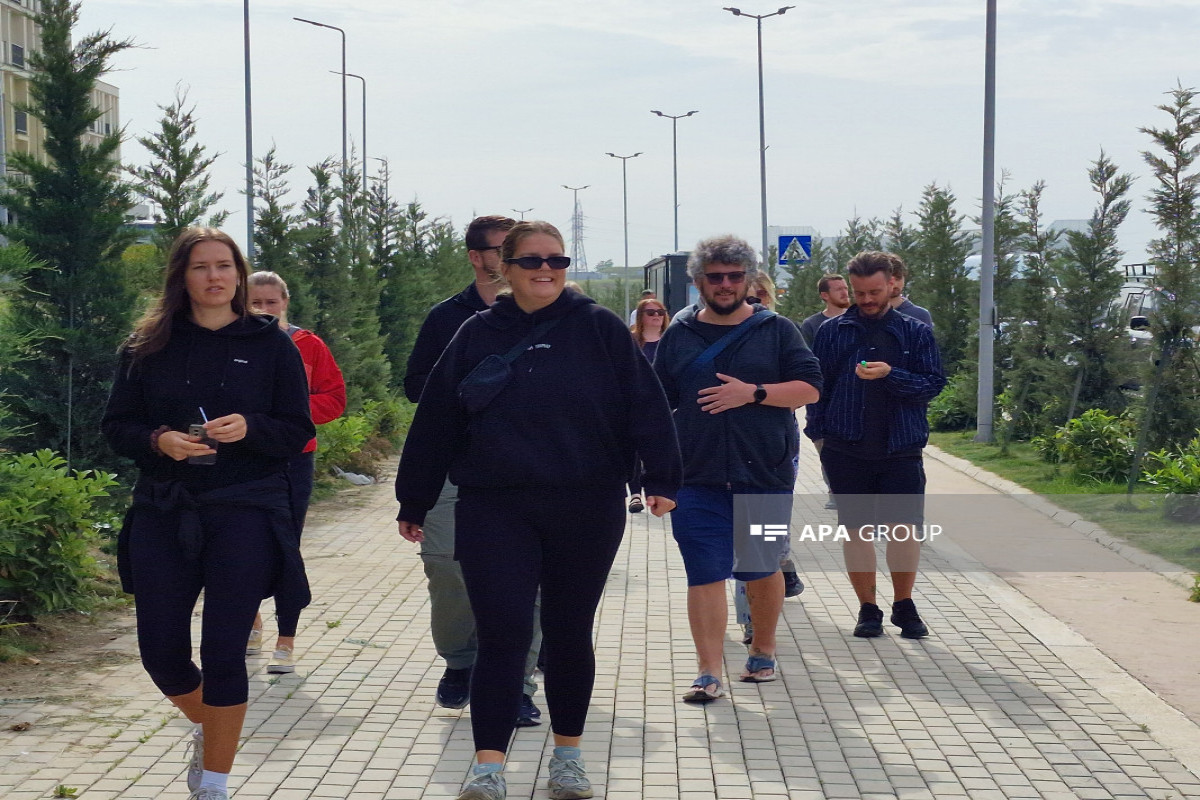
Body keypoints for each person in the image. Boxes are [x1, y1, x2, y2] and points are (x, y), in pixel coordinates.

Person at [396, 220, 681, 800]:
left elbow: (644, 403)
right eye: (531, 261)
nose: (546, 270)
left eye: (557, 259)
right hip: (494, 507)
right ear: (505, 266)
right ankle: (487, 768)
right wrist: (415, 498)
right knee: (502, 634)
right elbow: (436, 421)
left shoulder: (598, 327)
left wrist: (662, 474)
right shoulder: (477, 332)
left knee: (569, 631)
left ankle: (568, 759)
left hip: (585, 504)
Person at [102, 228, 315, 800]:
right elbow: (115, 427)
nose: (215, 277)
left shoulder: (273, 344)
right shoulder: (147, 345)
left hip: (244, 509)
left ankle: (215, 782)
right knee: (161, 653)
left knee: (225, 650)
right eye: (202, 267)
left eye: (226, 266)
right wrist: (158, 440)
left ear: (240, 277)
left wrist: (251, 427)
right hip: (164, 510)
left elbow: (298, 429)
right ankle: (210, 726)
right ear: (182, 277)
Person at [653, 234, 822, 702]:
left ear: (748, 280)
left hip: (762, 474)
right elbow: (655, 404)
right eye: (715, 277)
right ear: (698, 282)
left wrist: (755, 393)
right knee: (703, 572)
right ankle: (708, 671)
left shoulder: (776, 330)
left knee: (759, 566)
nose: (725, 284)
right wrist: (652, 472)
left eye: (733, 276)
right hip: (695, 476)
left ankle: (763, 649)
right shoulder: (680, 334)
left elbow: (810, 389)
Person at [402, 215, 544, 724]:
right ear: (477, 257)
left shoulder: (552, 316)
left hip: (527, 470)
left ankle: (516, 686)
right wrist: (465, 396)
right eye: (501, 249)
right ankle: (461, 659)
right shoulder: (447, 318)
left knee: (529, 579)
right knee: (445, 562)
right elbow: (416, 387)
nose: (515, 259)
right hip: (454, 464)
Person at [805, 251, 946, 639]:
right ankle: (868, 609)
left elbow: (932, 385)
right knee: (856, 530)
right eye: (859, 292)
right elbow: (819, 388)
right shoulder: (832, 332)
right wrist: (818, 435)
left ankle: (904, 604)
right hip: (845, 446)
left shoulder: (914, 331)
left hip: (900, 445)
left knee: (904, 530)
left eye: (874, 291)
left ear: (893, 285)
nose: (866, 299)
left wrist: (891, 375)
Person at [245, 270, 347, 674]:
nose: (264, 310)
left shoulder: (308, 345)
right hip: (244, 459)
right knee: (242, 548)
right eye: (255, 303)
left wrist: (289, 414)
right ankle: (250, 624)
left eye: (271, 302)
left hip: (293, 460)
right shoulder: (232, 344)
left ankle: (286, 640)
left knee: (286, 549)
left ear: (285, 303)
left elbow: (335, 400)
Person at [625, 297, 670, 513]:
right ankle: (635, 494)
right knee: (635, 450)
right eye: (651, 313)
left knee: (661, 448)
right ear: (640, 316)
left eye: (660, 312)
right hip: (635, 403)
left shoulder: (670, 341)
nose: (656, 317)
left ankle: (661, 490)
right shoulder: (630, 341)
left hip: (666, 405)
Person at [799, 273, 851, 347]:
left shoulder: (859, 319)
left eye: (846, 288)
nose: (845, 293)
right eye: (838, 289)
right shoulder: (811, 324)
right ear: (825, 295)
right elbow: (805, 355)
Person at [886, 255, 934, 327]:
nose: (894, 284)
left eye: (898, 278)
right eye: (889, 280)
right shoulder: (868, 312)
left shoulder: (920, 315)